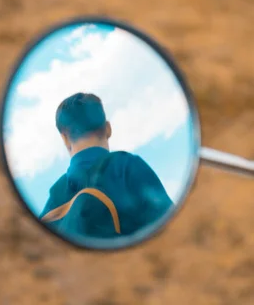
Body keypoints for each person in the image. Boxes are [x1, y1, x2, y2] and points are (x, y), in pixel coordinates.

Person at [39, 92, 174, 239]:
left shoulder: (55, 196)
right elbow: (173, 226)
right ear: (108, 128)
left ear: (64, 138)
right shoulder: (125, 167)